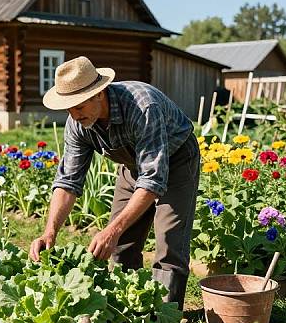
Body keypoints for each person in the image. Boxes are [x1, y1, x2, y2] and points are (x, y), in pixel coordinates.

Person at [29, 56, 200, 308]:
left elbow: (152, 179)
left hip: (176, 161)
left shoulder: (143, 107)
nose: (74, 115)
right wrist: (50, 231)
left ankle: (164, 321)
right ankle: (129, 313)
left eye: (78, 106)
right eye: (68, 108)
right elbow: (67, 181)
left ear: (99, 94)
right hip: (133, 165)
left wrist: (112, 229)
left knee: (169, 245)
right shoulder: (78, 123)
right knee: (120, 246)